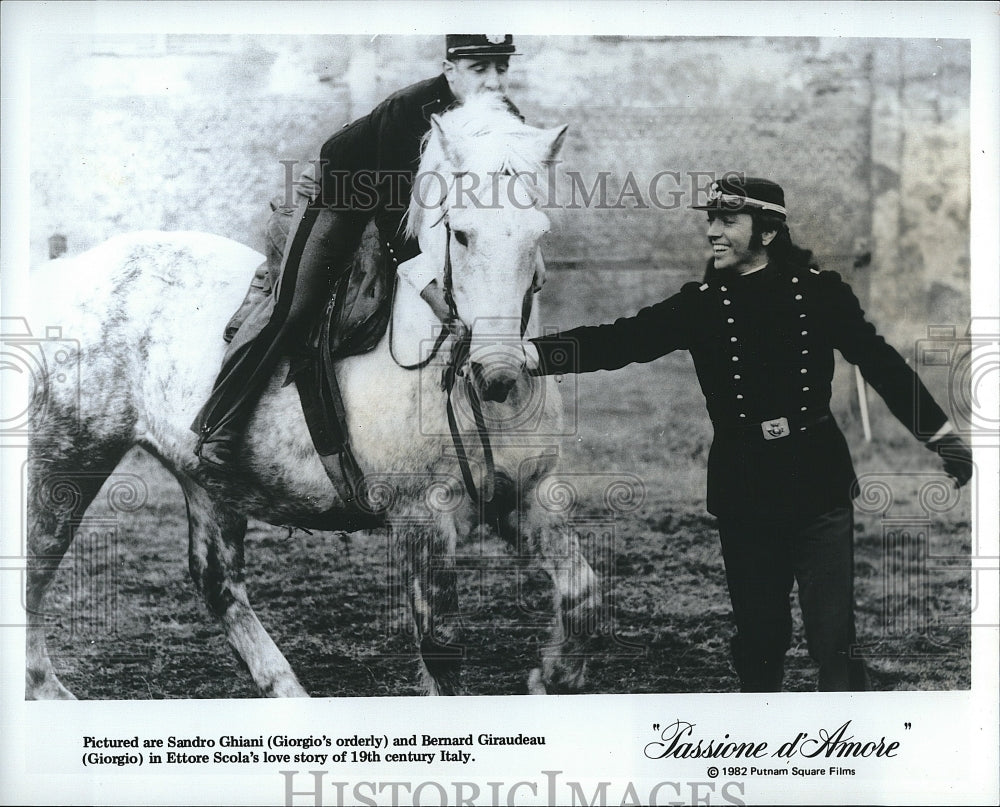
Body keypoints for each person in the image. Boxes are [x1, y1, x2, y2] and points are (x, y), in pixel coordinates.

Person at [529, 175, 974, 692]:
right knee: (761, 642)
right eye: (710, 220)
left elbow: (882, 364)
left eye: (727, 220)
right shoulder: (700, 305)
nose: (712, 232)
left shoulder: (820, 293)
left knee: (834, 642)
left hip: (819, 484)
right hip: (744, 489)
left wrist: (943, 439)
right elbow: (621, 339)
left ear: (766, 232)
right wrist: (534, 355)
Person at [192, 35, 522, 467]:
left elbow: (514, 198)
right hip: (343, 195)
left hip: (420, 210)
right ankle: (220, 424)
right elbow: (392, 213)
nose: (494, 82)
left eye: (501, 68)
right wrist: (428, 288)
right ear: (449, 70)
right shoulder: (410, 109)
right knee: (295, 307)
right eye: (480, 69)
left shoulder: (508, 116)